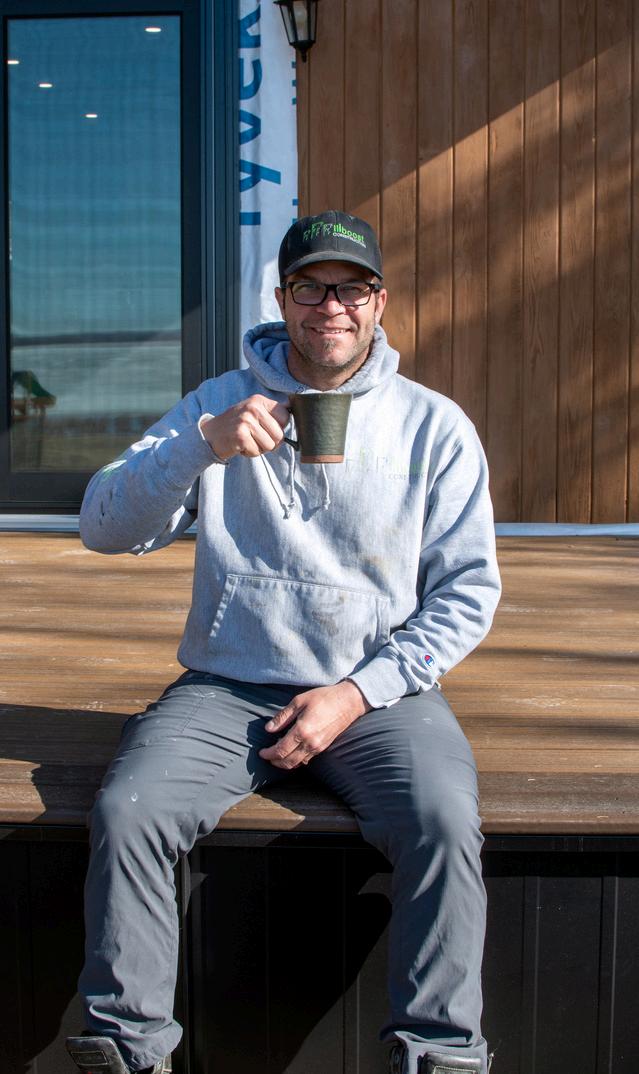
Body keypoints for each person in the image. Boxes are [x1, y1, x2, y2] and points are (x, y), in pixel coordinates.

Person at [66, 210, 501, 1074]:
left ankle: (440, 1054)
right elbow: (102, 527)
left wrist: (357, 693)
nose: (330, 307)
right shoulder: (218, 403)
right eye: (310, 287)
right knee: (129, 811)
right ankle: (129, 1050)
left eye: (351, 289)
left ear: (379, 303)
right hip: (228, 683)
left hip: (375, 692)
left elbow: (467, 592)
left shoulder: (432, 425)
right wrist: (197, 450)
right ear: (281, 299)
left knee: (444, 820)